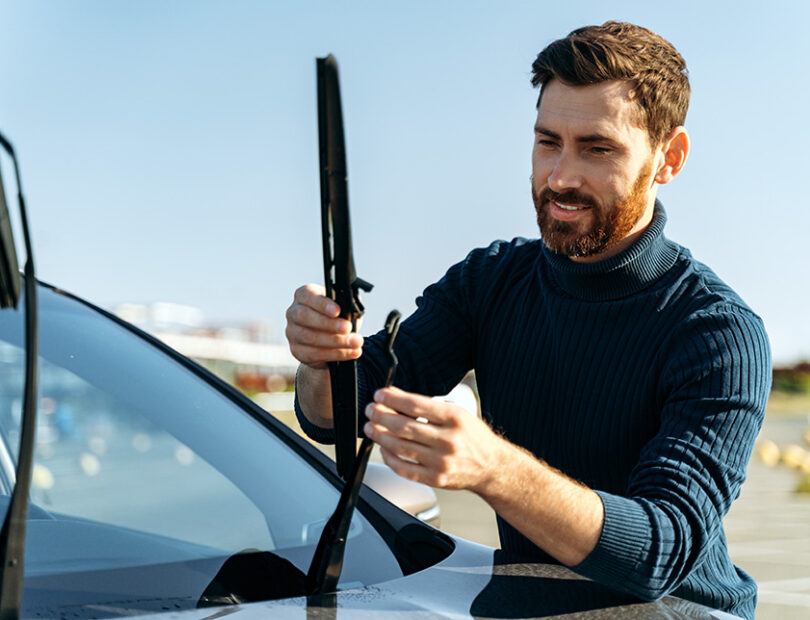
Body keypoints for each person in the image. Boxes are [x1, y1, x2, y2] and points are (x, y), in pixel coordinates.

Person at [285, 21, 770, 619]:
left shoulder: (718, 333)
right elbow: (341, 414)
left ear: (668, 157)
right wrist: (319, 358)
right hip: (529, 604)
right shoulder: (489, 281)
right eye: (548, 142)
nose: (560, 177)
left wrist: (493, 467)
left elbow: (658, 551)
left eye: (597, 148)